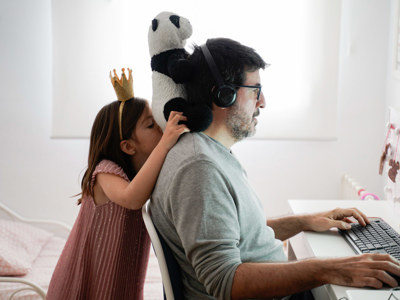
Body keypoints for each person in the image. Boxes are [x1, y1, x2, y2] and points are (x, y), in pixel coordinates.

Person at [149, 38, 400, 300]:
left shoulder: (207, 152)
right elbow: (225, 282)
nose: (263, 102)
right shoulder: (199, 168)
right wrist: (330, 269)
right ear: (223, 94)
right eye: (255, 90)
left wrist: (304, 221)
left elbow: (237, 234)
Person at [46, 68, 189, 300]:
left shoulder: (141, 175)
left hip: (120, 279)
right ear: (128, 146)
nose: (161, 129)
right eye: (151, 125)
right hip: (83, 282)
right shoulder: (104, 172)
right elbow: (131, 199)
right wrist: (165, 143)